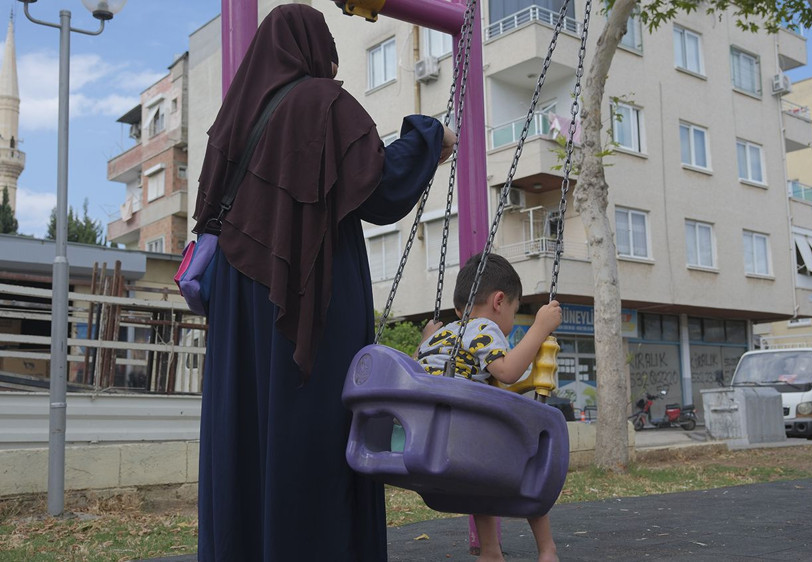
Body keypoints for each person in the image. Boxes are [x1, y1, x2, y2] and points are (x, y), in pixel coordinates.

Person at [192, 5, 456, 561]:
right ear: (312, 49)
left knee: (244, 432)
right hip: (306, 296)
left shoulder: (232, 122)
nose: (334, 65)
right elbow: (380, 187)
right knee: (314, 433)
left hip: (241, 303)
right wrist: (429, 137)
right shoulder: (320, 103)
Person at [416, 253, 563, 562]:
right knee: (529, 463)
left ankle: (491, 551)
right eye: (515, 310)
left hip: (429, 437)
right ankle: (547, 550)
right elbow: (507, 372)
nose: (512, 320)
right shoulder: (483, 327)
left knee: (480, 482)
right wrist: (540, 327)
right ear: (499, 301)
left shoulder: (437, 337)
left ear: (459, 308)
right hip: (465, 433)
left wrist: (425, 338)